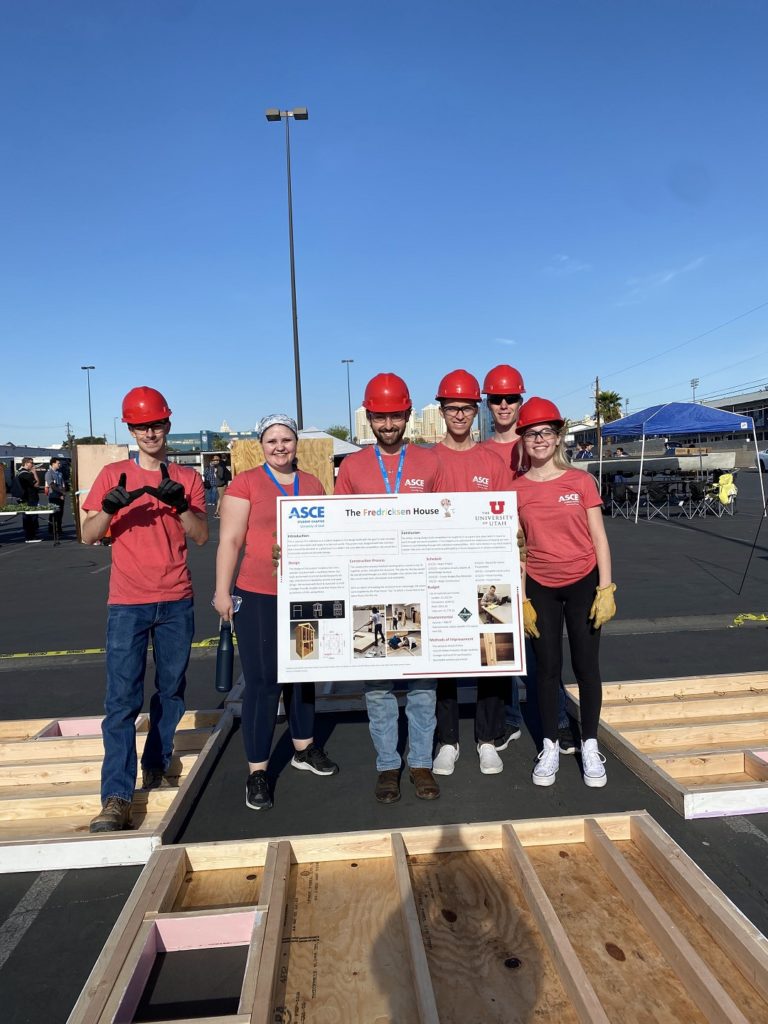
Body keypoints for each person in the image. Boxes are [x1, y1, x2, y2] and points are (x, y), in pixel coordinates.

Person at [83, 386, 208, 832]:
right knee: (121, 701)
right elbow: (88, 534)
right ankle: (116, 796)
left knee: (171, 689)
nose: (150, 432)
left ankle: (157, 758)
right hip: (127, 602)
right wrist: (109, 510)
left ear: (167, 425)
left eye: (156, 424)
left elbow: (200, 535)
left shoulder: (186, 477)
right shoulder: (112, 475)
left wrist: (178, 507)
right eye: (141, 426)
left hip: (176, 597)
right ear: (131, 429)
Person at [214, 413, 338, 811]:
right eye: (272, 441)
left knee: (303, 674)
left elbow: (328, 537)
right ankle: (258, 771)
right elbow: (230, 541)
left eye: (286, 439)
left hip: (303, 593)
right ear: (261, 445)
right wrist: (221, 592)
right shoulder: (246, 483)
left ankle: (303, 748)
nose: (280, 446)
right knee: (264, 682)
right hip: (258, 593)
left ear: (296, 443)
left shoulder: (314, 484)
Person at [335, 372, 440, 803]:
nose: (388, 425)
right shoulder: (354, 466)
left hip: (420, 588)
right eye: (380, 417)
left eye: (395, 416)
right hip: (370, 591)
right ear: (370, 418)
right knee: (378, 688)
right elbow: (336, 530)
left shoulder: (431, 462)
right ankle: (387, 765)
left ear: (407, 415)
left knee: (421, 686)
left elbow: (450, 520)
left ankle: (420, 763)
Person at [510, 397, 616, 788]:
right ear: (522, 439)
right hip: (540, 585)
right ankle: (550, 745)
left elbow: (599, 538)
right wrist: (521, 598)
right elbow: (517, 550)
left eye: (545, 433)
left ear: (557, 438)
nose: (538, 440)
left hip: (584, 582)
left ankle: (589, 743)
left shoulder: (580, 481)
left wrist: (606, 588)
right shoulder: (516, 490)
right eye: (530, 434)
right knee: (547, 671)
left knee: (587, 667)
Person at [431, 369, 513, 778]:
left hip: (486, 572)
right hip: (443, 573)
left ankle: (488, 739)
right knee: (444, 657)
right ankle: (447, 740)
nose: (459, 415)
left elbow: (506, 517)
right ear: (442, 410)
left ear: (475, 409)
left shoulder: (492, 461)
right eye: (452, 408)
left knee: (492, 656)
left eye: (466, 408)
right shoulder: (427, 459)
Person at [480, 363, 526, 472]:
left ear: (520, 403)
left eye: (510, 399)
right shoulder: (479, 453)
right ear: (488, 404)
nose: (504, 406)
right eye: (496, 399)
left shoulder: (534, 448)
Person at [15, 458, 41, 543]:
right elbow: (37, 484)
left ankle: (30, 535)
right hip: (30, 498)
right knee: (31, 517)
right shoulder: (26, 474)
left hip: (24, 498)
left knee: (27, 517)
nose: (33, 465)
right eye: (31, 463)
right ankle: (31, 536)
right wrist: (34, 472)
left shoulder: (19, 473)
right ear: (26, 463)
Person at [45, 457, 66, 544]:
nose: (59, 465)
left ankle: (59, 529)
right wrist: (60, 492)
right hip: (53, 496)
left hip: (60, 496)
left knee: (60, 513)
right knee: (54, 513)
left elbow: (63, 484)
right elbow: (52, 485)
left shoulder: (60, 473)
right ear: (53, 464)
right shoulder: (49, 473)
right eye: (58, 463)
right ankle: (51, 529)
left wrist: (63, 493)